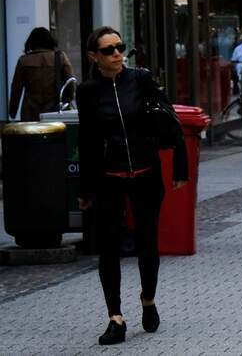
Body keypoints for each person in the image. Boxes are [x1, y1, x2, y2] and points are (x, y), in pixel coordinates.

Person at [77, 27, 187, 345]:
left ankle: (148, 299)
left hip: (146, 173)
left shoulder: (141, 79)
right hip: (109, 178)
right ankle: (116, 317)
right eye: (109, 50)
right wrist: (85, 190)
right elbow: (86, 141)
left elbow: (170, 119)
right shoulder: (87, 91)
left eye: (120, 47)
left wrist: (180, 166)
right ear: (94, 57)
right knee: (108, 248)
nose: (116, 54)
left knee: (147, 243)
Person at [8, 27, 74, 121]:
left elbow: (16, 89)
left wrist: (12, 111)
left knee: (32, 135)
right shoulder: (60, 57)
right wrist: (69, 98)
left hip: (30, 112)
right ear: (50, 41)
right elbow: (70, 82)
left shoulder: (24, 60)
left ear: (31, 42)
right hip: (54, 111)